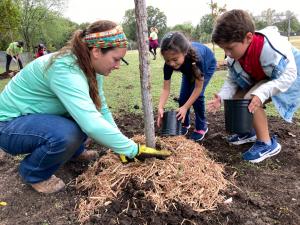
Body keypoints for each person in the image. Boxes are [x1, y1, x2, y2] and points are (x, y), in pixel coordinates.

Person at [0, 20, 171, 194]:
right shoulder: (64, 68)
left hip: (34, 117)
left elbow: (101, 109)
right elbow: (91, 123)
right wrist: (133, 150)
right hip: (8, 125)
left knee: (86, 116)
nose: (118, 66)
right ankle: (33, 172)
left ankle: (74, 152)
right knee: (69, 133)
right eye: (116, 59)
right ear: (96, 51)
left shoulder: (89, 66)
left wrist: (120, 145)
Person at [207, 9, 300, 163]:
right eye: (224, 49)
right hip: (265, 78)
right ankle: (248, 132)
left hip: (288, 77)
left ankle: (267, 143)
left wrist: (262, 94)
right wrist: (221, 97)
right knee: (237, 97)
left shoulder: (271, 49)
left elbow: (288, 75)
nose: (227, 54)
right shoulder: (234, 57)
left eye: (230, 48)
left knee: (251, 98)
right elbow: (232, 80)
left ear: (248, 37)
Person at [157, 31, 217, 141]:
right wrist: (160, 107)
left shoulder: (197, 60)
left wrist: (185, 107)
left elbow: (198, 88)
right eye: (167, 60)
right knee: (183, 97)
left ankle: (201, 126)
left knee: (197, 97)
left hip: (206, 65)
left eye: (175, 59)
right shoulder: (169, 64)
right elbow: (166, 89)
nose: (171, 64)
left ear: (184, 52)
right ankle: (184, 123)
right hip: (188, 70)